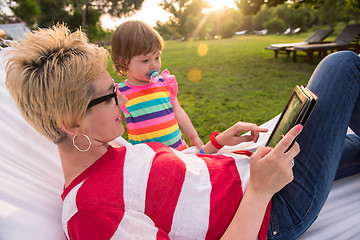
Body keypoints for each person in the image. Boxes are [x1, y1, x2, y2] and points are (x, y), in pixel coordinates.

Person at [4, 24, 360, 240]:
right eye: (111, 96)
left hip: (255, 170)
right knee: (342, 65)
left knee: (350, 144)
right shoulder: (91, 214)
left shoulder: (109, 147)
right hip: (274, 211)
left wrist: (215, 145)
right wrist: (260, 191)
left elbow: (173, 179)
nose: (123, 101)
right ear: (71, 124)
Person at [110, 20, 203, 151]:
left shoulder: (164, 83)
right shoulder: (121, 94)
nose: (154, 65)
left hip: (179, 150)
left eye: (157, 57)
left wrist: (193, 136)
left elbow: (179, 113)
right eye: (145, 60)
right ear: (124, 62)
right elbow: (114, 123)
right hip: (150, 159)